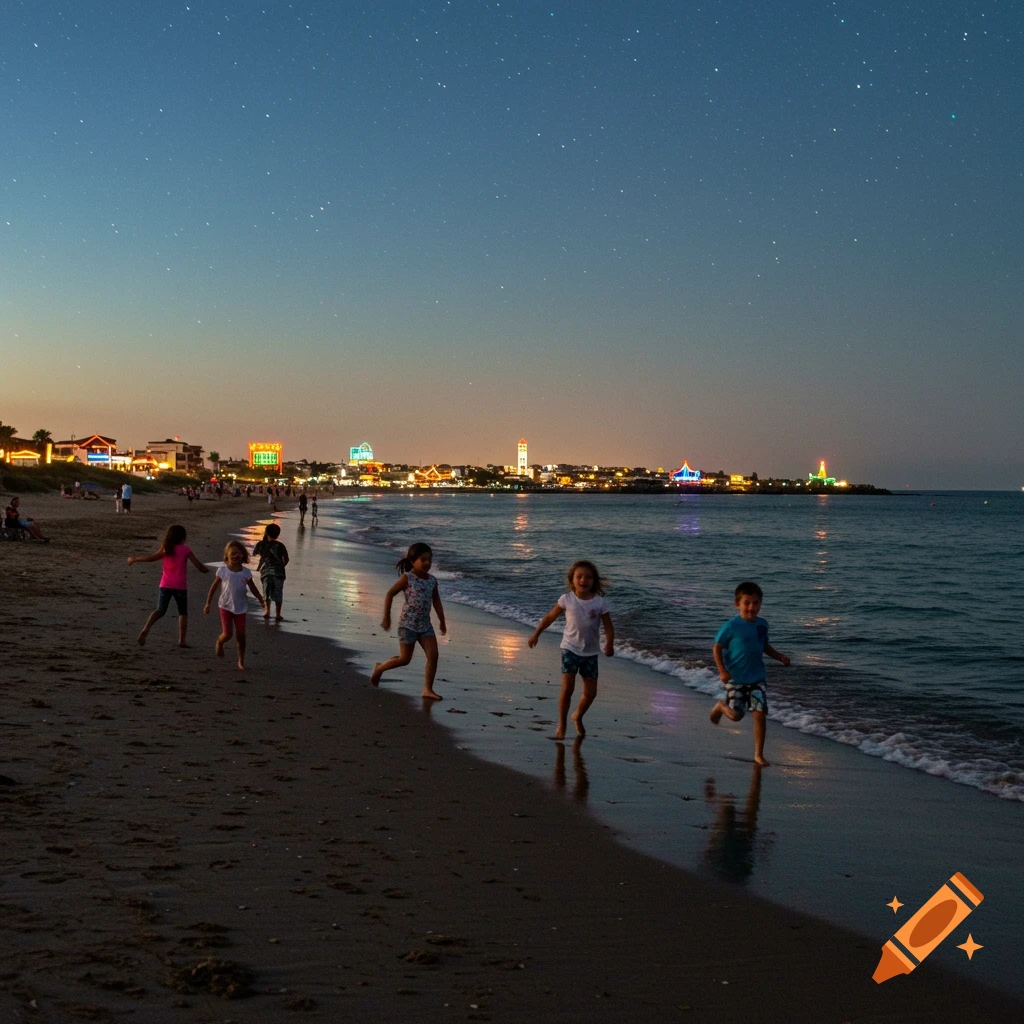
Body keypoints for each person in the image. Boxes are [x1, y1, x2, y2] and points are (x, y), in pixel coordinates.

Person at [528, 560, 614, 739]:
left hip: (590, 653)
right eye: (579, 576)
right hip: (570, 649)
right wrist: (536, 633)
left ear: (594, 581)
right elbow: (550, 617)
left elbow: (608, 627)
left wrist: (609, 643)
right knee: (568, 688)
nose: (584, 580)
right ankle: (562, 724)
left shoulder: (600, 603)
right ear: (572, 580)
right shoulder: (566, 599)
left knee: (591, 693)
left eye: (588, 577)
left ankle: (577, 716)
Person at [709, 581, 791, 767]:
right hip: (735, 679)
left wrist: (780, 657)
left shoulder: (762, 625)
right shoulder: (731, 626)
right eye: (747, 602)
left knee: (760, 713)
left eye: (755, 603)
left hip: (757, 678)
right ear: (737, 604)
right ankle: (721, 707)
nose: (751, 607)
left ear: (760, 604)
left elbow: (764, 646)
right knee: (737, 715)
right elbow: (717, 648)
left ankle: (758, 754)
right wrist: (722, 670)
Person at [371, 542, 447, 699]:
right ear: (413, 561)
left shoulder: (432, 580)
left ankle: (427, 689)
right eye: (423, 559)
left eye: (430, 559)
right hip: (408, 625)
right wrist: (387, 617)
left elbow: (436, 600)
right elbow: (390, 594)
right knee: (405, 659)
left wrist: (442, 620)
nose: (427, 563)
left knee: (433, 656)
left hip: (425, 626)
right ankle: (380, 668)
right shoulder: (408, 578)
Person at [127, 524, 210, 646]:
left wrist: (135, 559)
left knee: (160, 610)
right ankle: (182, 640)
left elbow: (152, 558)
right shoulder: (185, 550)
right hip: (180, 586)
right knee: (182, 612)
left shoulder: (166, 548)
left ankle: (146, 629)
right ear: (183, 538)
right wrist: (208, 570)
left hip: (165, 585)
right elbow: (198, 565)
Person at [204, 540, 265, 669]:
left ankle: (241, 661)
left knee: (241, 636)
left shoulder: (246, 573)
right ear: (227, 556)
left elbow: (253, 587)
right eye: (233, 553)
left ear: (243, 555)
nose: (236, 556)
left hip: (241, 607)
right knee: (228, 634)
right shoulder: (223, 571)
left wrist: (260, 599)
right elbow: (213, 588)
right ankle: (220, 642)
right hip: (225, 606)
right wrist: (208, 603)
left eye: (238, 553)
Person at [252, 522, 290, 621]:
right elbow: (286, 559)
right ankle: (278, 613)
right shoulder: (280, 545)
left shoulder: (261, 544)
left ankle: (267, 611)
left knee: (266, 591)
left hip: (265, 572)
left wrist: (259, 567)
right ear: (278, 534)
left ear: (266, 533)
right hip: (279, 573)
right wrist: (282, 566)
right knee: (278, 593)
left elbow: (256, 555)